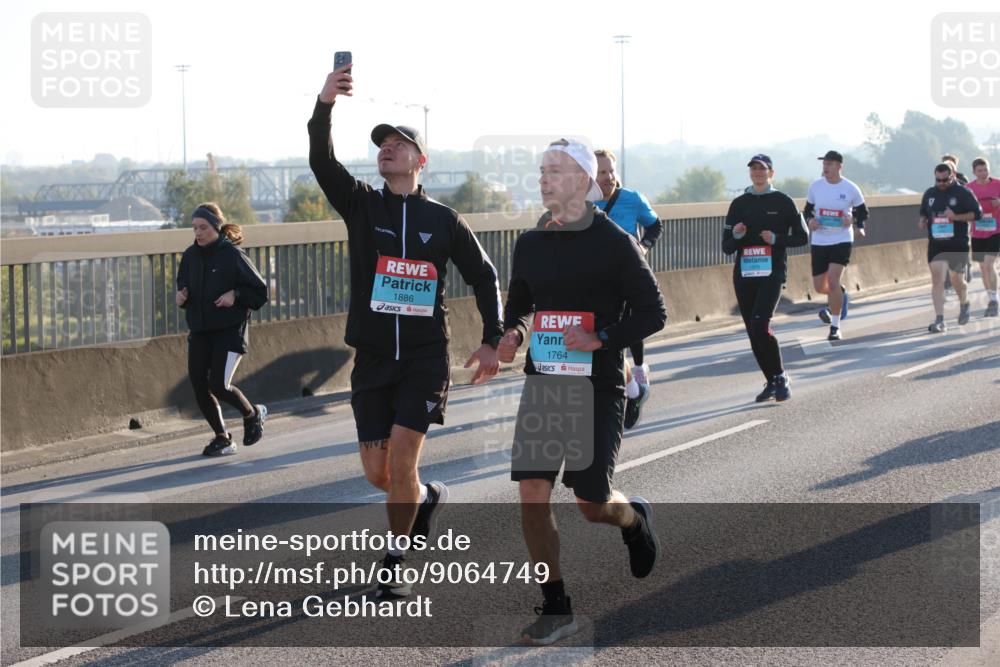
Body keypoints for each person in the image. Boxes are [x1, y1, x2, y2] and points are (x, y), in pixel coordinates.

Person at [308, 61, 504, 598]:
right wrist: (325, 103)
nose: (386, 149)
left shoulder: (442, 220)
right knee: (380, 474)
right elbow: (320, 159)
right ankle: (426, 496)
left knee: (399, 463)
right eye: (381, 144)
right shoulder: (360, 205)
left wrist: (493, 336)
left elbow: (484, 274)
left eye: (398, 143)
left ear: (420, 160)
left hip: (423, 360)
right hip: (372, 360)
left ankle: (395, 562)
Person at [498, 138, 666, 646]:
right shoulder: (530, 242)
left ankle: (633, 519)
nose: (544, 179)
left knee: (591, 504)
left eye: (554, 171)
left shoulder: (615, 241)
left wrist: (602, 338)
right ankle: (556, 607)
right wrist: (510, 336)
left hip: (597, 387)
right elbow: (520, 306)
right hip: (545, 384)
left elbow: (653, 313)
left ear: (580, 180)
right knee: (532, 493)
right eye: (542, 170)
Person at [176, 203, 269, 457]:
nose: (198, 232)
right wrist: (181, 295)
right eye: (194, 227)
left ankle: (252, 413)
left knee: (218, 384)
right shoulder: (190, 256)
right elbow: (182, 284)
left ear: (216, 227)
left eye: (203, 227)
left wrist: (235, 295)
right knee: (198, 384)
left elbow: (260, 293)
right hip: (200, 331)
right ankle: (223, 437)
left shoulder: (233, 255)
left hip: (229, 332)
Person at [722, 154, 808, 402]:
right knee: (752, 331)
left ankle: (781, 376)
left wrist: (777, 239)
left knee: (761, 325)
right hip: (745, 275)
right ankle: (771, 379)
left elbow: (802, 237)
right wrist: (737, 236)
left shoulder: (784, 201)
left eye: (762, 169)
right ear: (750, 173)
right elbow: (726, 247)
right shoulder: (739, 204)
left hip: (772, 273)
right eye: (754, 169)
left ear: (772, 173)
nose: (758, 173)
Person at [594, 148, 663, 428]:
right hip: (597, 281)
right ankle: (634, 389)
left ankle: (635, 380)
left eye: (611, 171)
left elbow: (655, 226)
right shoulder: (581, 204)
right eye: (601, 172)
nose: (608, 177)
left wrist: (644, 247)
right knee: (609, 342)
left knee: (621, 333)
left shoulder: (632, 199)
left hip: (631, 277)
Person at [803, 150, 869, 340]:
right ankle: (840, 294)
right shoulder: (815, 187)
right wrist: (811, 222)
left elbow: (863, 212)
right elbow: (807, 211)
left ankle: (834, 327)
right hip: (820, 240)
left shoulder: (850, 188)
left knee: (832, 281)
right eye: (824, 164)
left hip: (841, 239)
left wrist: (853, 220)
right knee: (819, 287)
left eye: (830, 164)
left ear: (840, 166)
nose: (826, 168)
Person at [918, 163, 983, 333]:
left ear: (952, 175)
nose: (941, 183)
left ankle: (964, 302)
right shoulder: (930, 193)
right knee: (937, 279)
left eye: (945, 179)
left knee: (956, 280)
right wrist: (923, 220)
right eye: (938, 180)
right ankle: (940, 319)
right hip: (936, 244)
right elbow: (924, 211)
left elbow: (977, 214)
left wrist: (956, 217)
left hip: (957, 243)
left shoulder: (963, 192)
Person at [967, 157, 1000, 317]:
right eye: (980, 170)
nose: (983, 173)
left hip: (996, 231)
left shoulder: (998, 184)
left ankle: (994, 300)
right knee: (982, 268)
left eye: (985, 169)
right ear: (974, 172)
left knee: (989, 264)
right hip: (978, 232)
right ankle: (991, 296)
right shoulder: (968, 189)